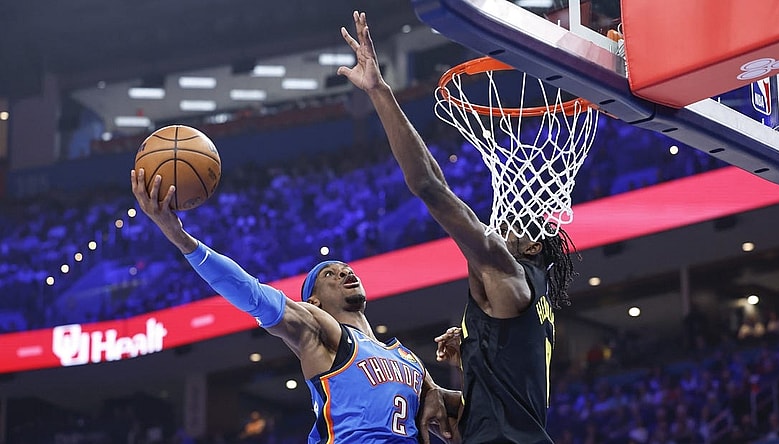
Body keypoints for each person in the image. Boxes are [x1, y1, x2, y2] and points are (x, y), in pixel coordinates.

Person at [131, 15, 458, 443]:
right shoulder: (318, 331)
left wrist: (471, 354)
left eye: (343, 268)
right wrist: (179, 236)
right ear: (315, 301)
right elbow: (248, 292)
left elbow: (465, 410)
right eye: (329, 272)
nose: (343, 271)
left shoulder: (409, 362)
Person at [336, 10, 579, 443]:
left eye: (521, 227)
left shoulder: (506, 273)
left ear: (531, 248)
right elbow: (496, 409)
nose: (506, 222)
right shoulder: (525, 298)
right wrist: (463, 365)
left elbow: (428, 185)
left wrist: (379, 90)